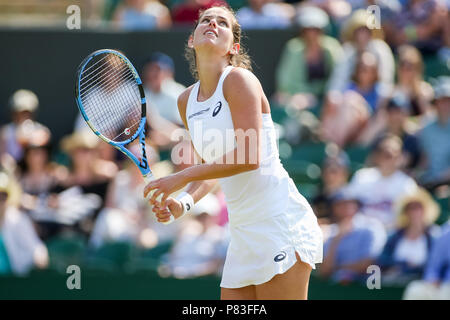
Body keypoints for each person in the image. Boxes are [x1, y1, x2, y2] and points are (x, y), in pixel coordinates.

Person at [144, 6, 323, 300]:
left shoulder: (240, 80)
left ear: (233, 46)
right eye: (205, 20)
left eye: (222, 23)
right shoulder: (186, 101)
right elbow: (212, 169)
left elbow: (249, 157)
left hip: (279, 224)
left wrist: (179, 176)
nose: (212, 23)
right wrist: (184, 202)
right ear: (191, 39)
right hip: (242, 237)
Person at [275, 5, 342, 110]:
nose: (312, 34)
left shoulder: (332, 47)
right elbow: (285, 81)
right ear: (303, 31)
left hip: (327, 96)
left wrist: (322, 94)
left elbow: (339, 76)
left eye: (316, 29)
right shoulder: (294, 48)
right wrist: (302, 95)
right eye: (308, 30)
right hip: (298, 96)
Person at [348, 135, 418, 230]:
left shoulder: (407, 184)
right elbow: (348, 207)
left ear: (400, 158)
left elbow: (410, 216)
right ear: (377, 155)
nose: (388, 157)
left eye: (392, 154)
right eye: (384, 153)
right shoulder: (362, 177)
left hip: (391, 234)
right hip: (359, 230)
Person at [319, 186, 387, 284]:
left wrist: (337, 268)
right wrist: (336, 240)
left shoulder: (371, 227)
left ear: (356, 205)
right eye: (340, 204)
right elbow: (324, 271)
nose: (346, 208)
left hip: (369, 286)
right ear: (334, 208)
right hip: (338, 289)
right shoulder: (331, 232)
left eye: (350, 203)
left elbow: (369, 264)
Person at [377, 188, 441, 285]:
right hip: (395, 280)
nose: (415, 212)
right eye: (411, 208)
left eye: (418, 208)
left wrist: (416, 268)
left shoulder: (435, 235)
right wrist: (402, 265)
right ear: (405, 212)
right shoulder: (394, 236)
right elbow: (383, 259)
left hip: (422, 282)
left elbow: (437, 263)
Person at [0, 171, 49, 275]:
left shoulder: (18, 220)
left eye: (3, 196)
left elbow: (37, 249)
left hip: (13, 283)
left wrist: (39, 257)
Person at [416, 76, 450, 189]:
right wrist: (417, 175)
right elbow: (425, 159)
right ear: (436, 103)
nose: (445, 105)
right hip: (430, 182)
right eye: (442, 101)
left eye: (448, 101)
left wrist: (440, 180)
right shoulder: (427, 127)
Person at [0, 89, 50, 163]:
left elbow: (44, 140)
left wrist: (26, 139)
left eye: (26, 112)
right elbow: (2, 155)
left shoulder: (40, 130)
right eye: (18, 112)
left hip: (32, 170)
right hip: (13, 170)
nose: (22, 116)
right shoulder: (5, 131)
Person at [403, 221, 450, 300]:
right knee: (415, 290)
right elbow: (433, 266)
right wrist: (433, 278)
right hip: (447, 285)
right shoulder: (446, 235)